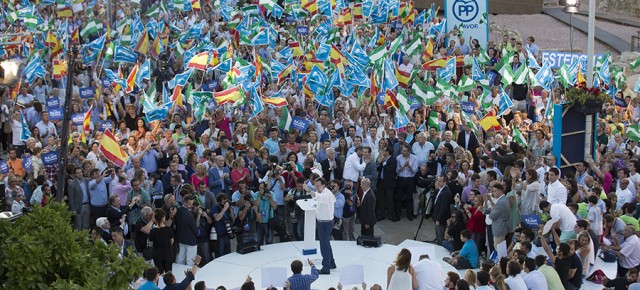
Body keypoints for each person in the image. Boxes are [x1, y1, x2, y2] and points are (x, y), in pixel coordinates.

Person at [303, 177, 335, 274]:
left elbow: (318, 197)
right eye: (315, 186)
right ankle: (331, 263)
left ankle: (326, 267)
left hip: (325, 222)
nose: (316, 188)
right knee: (326, 244)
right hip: (324, 221)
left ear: (324, 185)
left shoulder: (326, 194)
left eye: (318, 186)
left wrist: (309, 190)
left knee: (324, 245)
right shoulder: (324, 193)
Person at [174, 195, 198, 266]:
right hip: (190, 240)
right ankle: (190, 275)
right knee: (190, 261)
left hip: (181, 238)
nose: (191, 206)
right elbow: (194, 228)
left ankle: (178, 273)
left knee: (181, 258)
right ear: (184, 203)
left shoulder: (179, 210)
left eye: (191, 204)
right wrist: (198, 233)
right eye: (189, 204)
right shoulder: (188, 214)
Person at [149, 208, 174, 274]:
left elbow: (151, 244)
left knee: (159, 273)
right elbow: (172, 241)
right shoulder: (168, 229)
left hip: (157, 253)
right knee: (168, 272)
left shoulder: (152, 231)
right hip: (167, 252)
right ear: (163, 217)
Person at [433, 174, 452, 245]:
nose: (438, 182)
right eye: (438, 180)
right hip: (437, 215)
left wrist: (438, 219)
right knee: (438, 234)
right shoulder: (440, 190)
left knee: (440, 235)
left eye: (440, 181)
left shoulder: (446, 192)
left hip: (441, 219)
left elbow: (443, 208)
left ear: (445, 182)